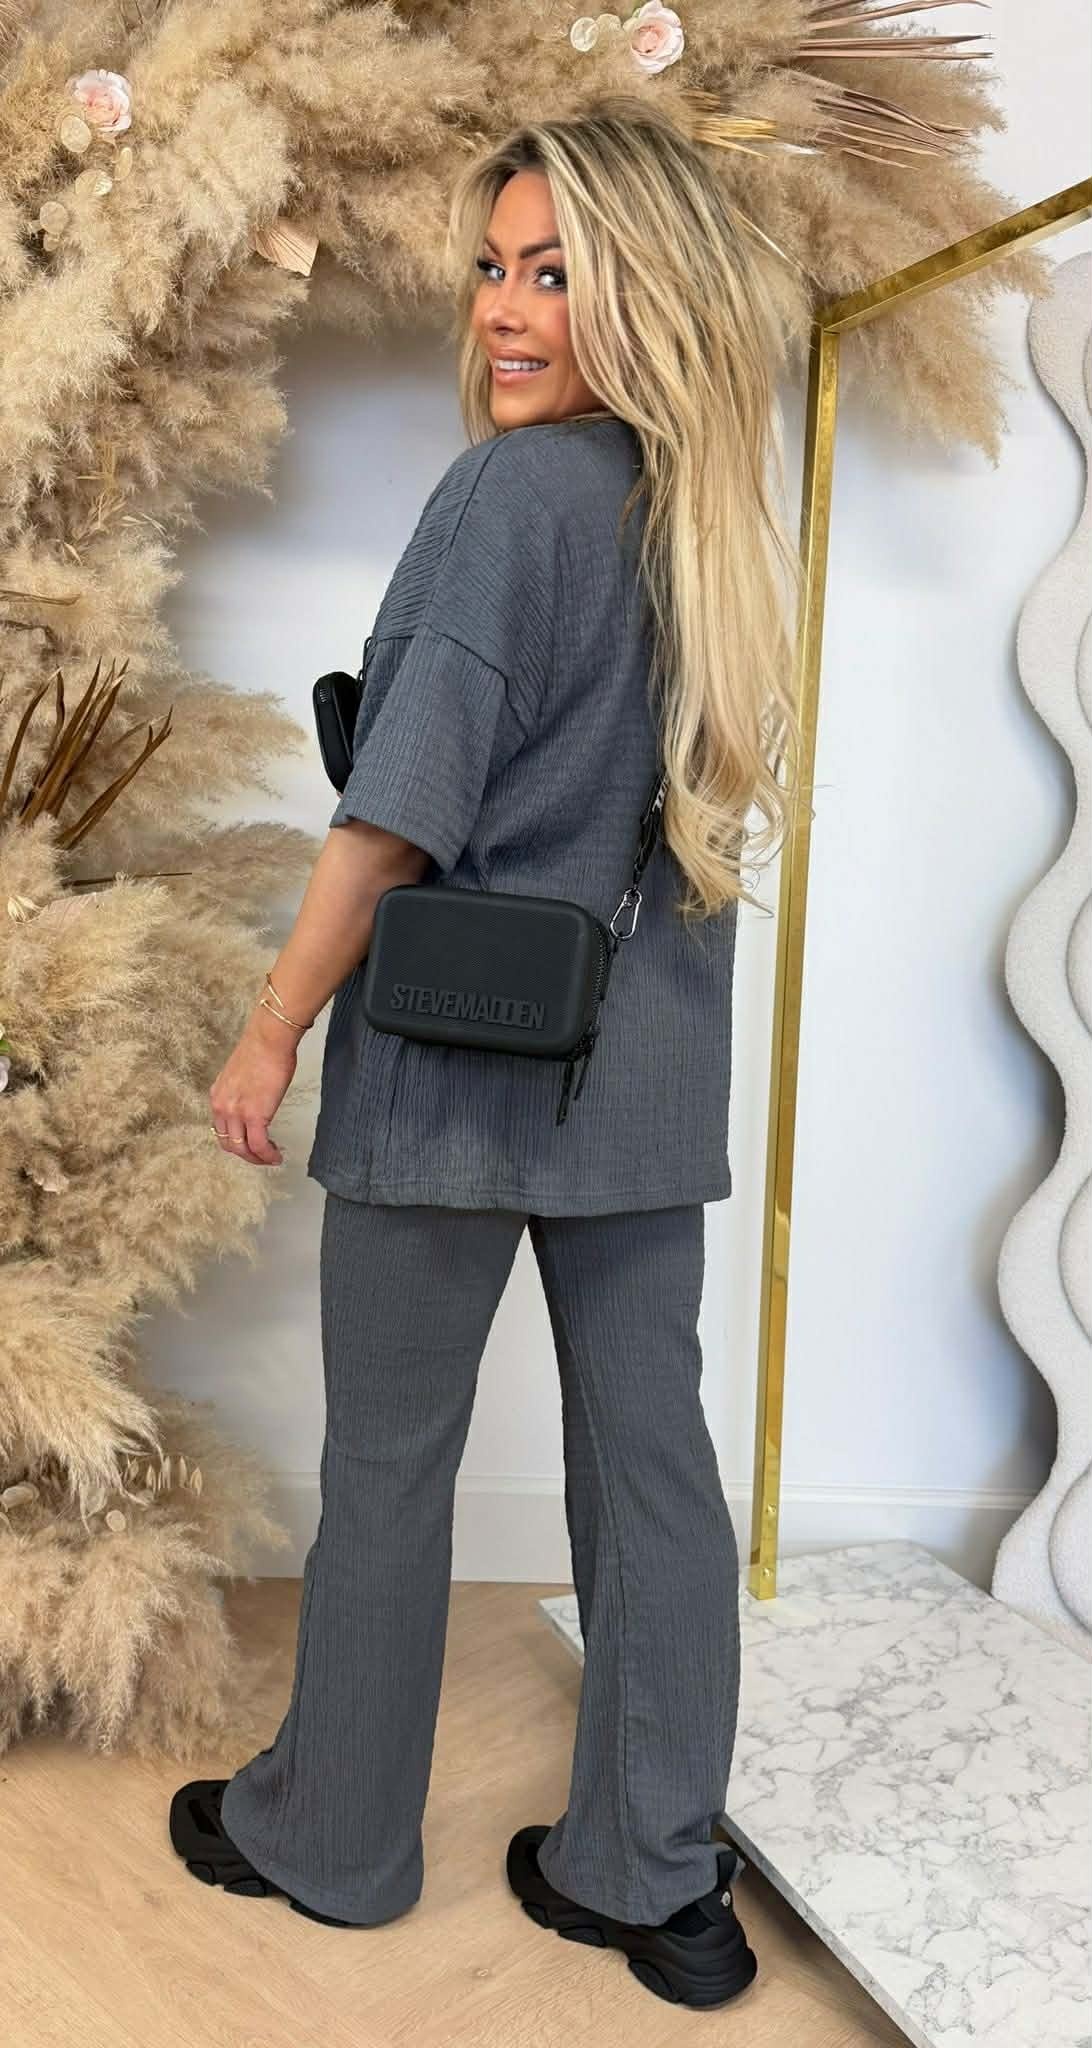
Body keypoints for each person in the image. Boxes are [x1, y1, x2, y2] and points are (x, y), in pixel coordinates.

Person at [169, 94, 802, 2012]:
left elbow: (392, 822)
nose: (505, 312)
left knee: (390, 1464)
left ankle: (337, 1840)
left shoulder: (502, 502)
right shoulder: (711, 527)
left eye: (554, 274)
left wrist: (271, 1027)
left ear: (647, 293)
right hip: (643, 1069)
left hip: (454, 1061)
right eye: (492, 269)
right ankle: (652, 1879)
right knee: (656, 1473)